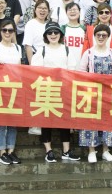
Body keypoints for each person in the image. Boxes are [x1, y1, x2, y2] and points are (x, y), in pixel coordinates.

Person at [30, 21, 81, 162]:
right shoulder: (41, 50)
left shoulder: (66, 49)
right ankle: (49, 151)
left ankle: (66, 150)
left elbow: (72, 69)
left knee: (64, 120)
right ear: (46, 35)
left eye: (56, 32)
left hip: (63, 90)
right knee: (46, 121)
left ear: (60, 34)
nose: (53, 35)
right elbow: (36, 70)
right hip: (46, 90)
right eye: (50, 32)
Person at [78, 24, 112, 163]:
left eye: (104, 35)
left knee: (107, 120)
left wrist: (110, 81)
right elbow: (82, 71)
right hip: (91, 92)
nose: (101, 37)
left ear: (108, 37)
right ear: (94, 36)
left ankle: (105, 150)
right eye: (98, 35)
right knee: (91, 121)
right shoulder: (88, 53)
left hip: (108, 92)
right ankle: (91, 150)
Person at [0, 19, 23, 165]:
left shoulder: (18, 48)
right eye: (5, 30)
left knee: (13, 121)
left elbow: (21, 68)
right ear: (0, 31)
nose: (7, 33)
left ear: (14, 32)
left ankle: (11, 150)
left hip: (15, 87)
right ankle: (1, 151)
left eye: (10, 30)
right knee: (1, 121)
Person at [23, 0, 50, 64]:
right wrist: (31, 63)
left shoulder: (49, 25)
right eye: (39, 8)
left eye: (45, 8)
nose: (42, 10)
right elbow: (28, 45)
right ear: (35, 10)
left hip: (47, 58)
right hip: (34, 56)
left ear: (48, 11)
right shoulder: (31, 24)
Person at [61, 2, 86, 69]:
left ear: (79, 12)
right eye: (69, 10)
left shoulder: (84, 29)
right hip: (66, 64)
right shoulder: (63, 28)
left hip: (81, 64)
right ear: (66, 13)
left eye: (74, 9)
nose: (72, 11)